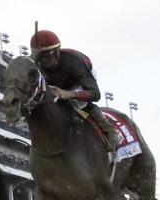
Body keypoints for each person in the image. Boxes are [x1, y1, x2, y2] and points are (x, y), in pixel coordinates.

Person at [30, 29, 122, 158]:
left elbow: (95, 94)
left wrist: (68, 94)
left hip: (79, 82)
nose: (43, 61)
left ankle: (109, 130)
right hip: (56, 83)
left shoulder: (74, 62)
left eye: (47, 56)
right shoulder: (37, 64)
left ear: (57, 52)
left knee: (78, 102)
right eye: (40, 58)